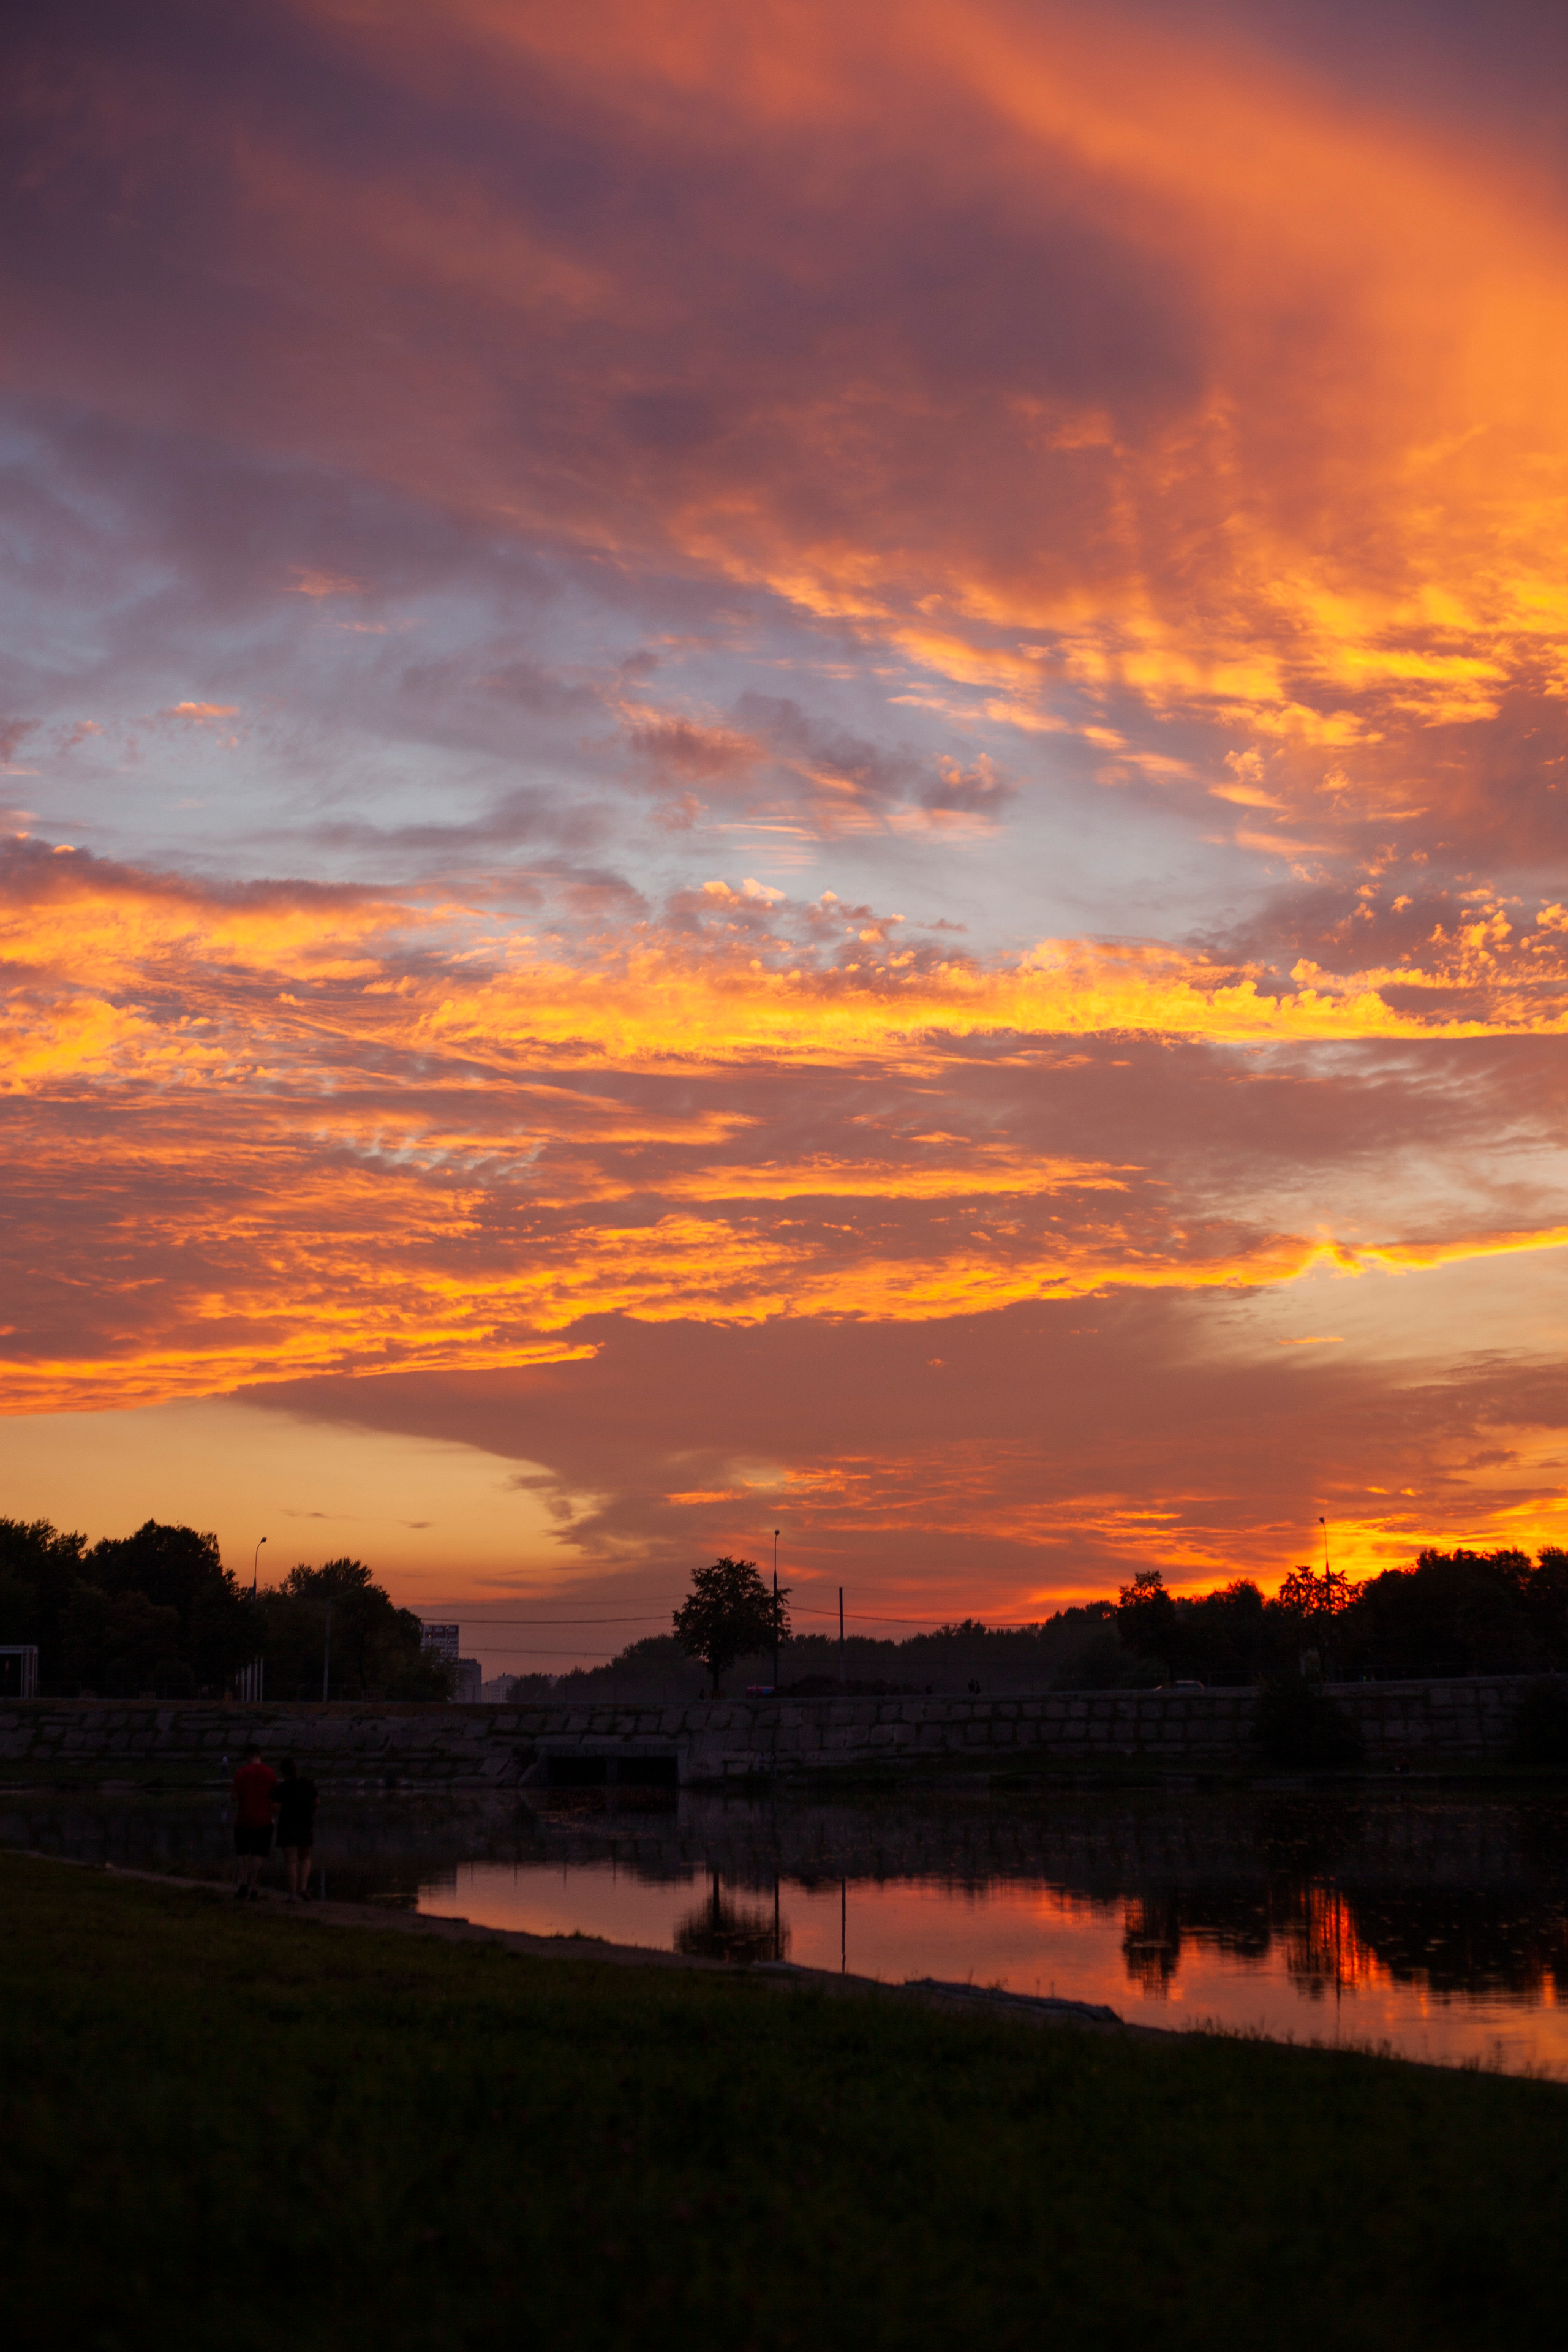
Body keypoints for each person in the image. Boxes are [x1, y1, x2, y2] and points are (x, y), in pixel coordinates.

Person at [231, 1741, 278, 1899]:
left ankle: (243, 1884)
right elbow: (274, 1800)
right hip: (263, 1821)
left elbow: (234, 1797)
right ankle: (255, 1888)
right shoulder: (270, 1773)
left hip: (243, 1820)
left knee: (242, 1853)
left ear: (248, 1756)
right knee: (259, 1855)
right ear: (260, 1756)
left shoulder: (241, 1773)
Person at [275, 1755, 319, 1900]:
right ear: (297, 1770)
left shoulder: (281, 1788)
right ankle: (303, 1888)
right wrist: (311, 1814)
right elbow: (317, 1802)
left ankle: (292, 1894)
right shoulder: (308, 1783)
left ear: (283, 1772)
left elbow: (275, 1807)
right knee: (305, 1858)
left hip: (287, 1826)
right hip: (306, 1825)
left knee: (291, 1861)